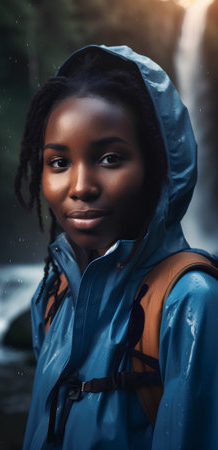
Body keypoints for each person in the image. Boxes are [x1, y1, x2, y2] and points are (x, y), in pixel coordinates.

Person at [15, 45, 218, 450]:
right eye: (58, 163)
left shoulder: (192, 304)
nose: (80, 186)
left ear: (159, 167)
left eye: (110, 158)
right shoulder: (54, 295)